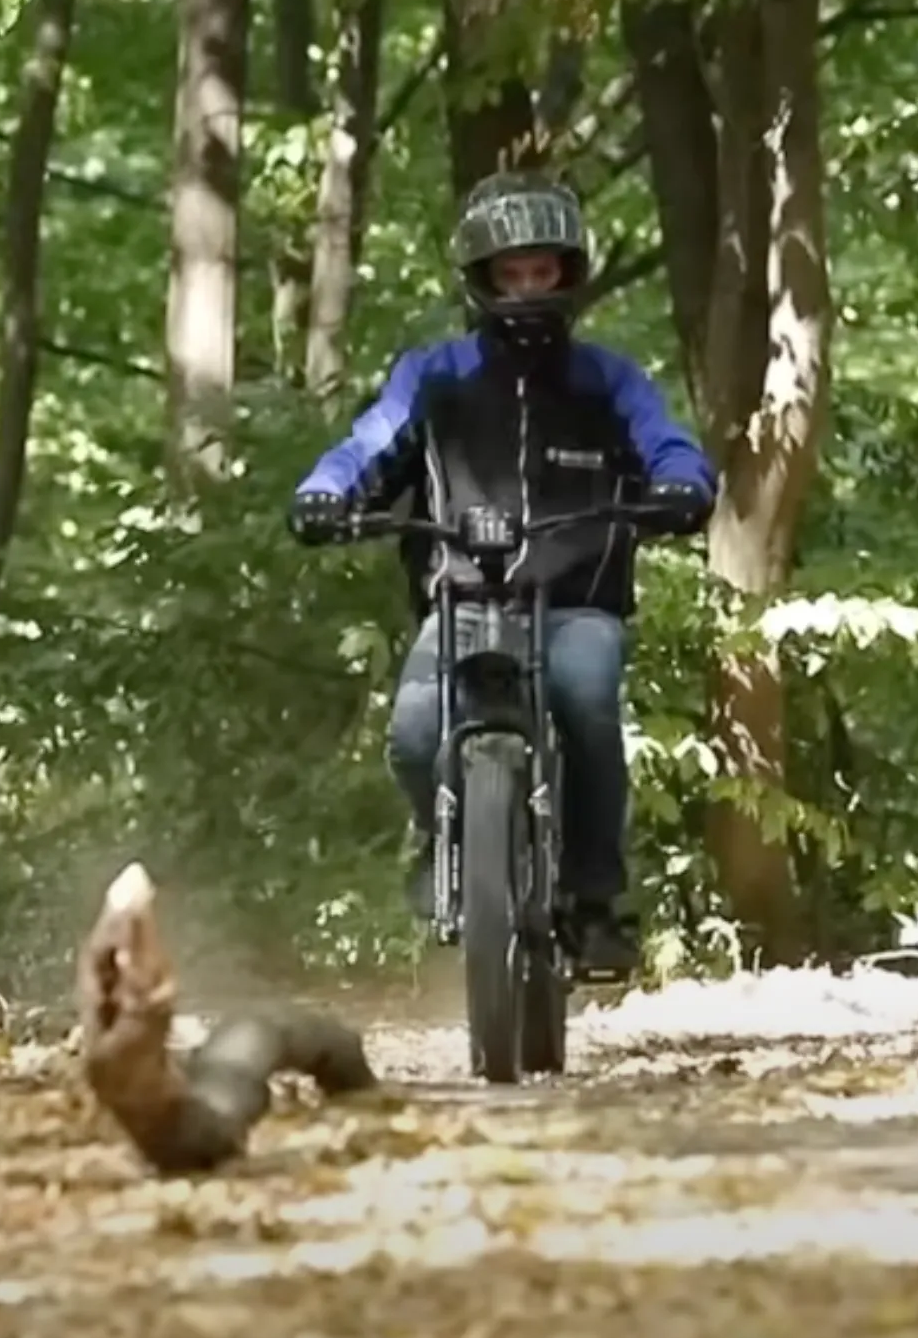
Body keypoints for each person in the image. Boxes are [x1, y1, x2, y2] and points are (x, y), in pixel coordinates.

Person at [287, 171, 718, 978]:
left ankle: (594, 901)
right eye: (509, 272)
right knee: (415, 731)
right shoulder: (434, 375)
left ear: (568, 272)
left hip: (576, 601)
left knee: (586, 694)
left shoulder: (609, 380)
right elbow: (369, 443)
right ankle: (443, 837)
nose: (526, 288)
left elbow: (668, 443)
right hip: (461, 599)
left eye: (541, 270)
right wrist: (325, 492)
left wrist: (681, 485)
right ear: (482, 278)